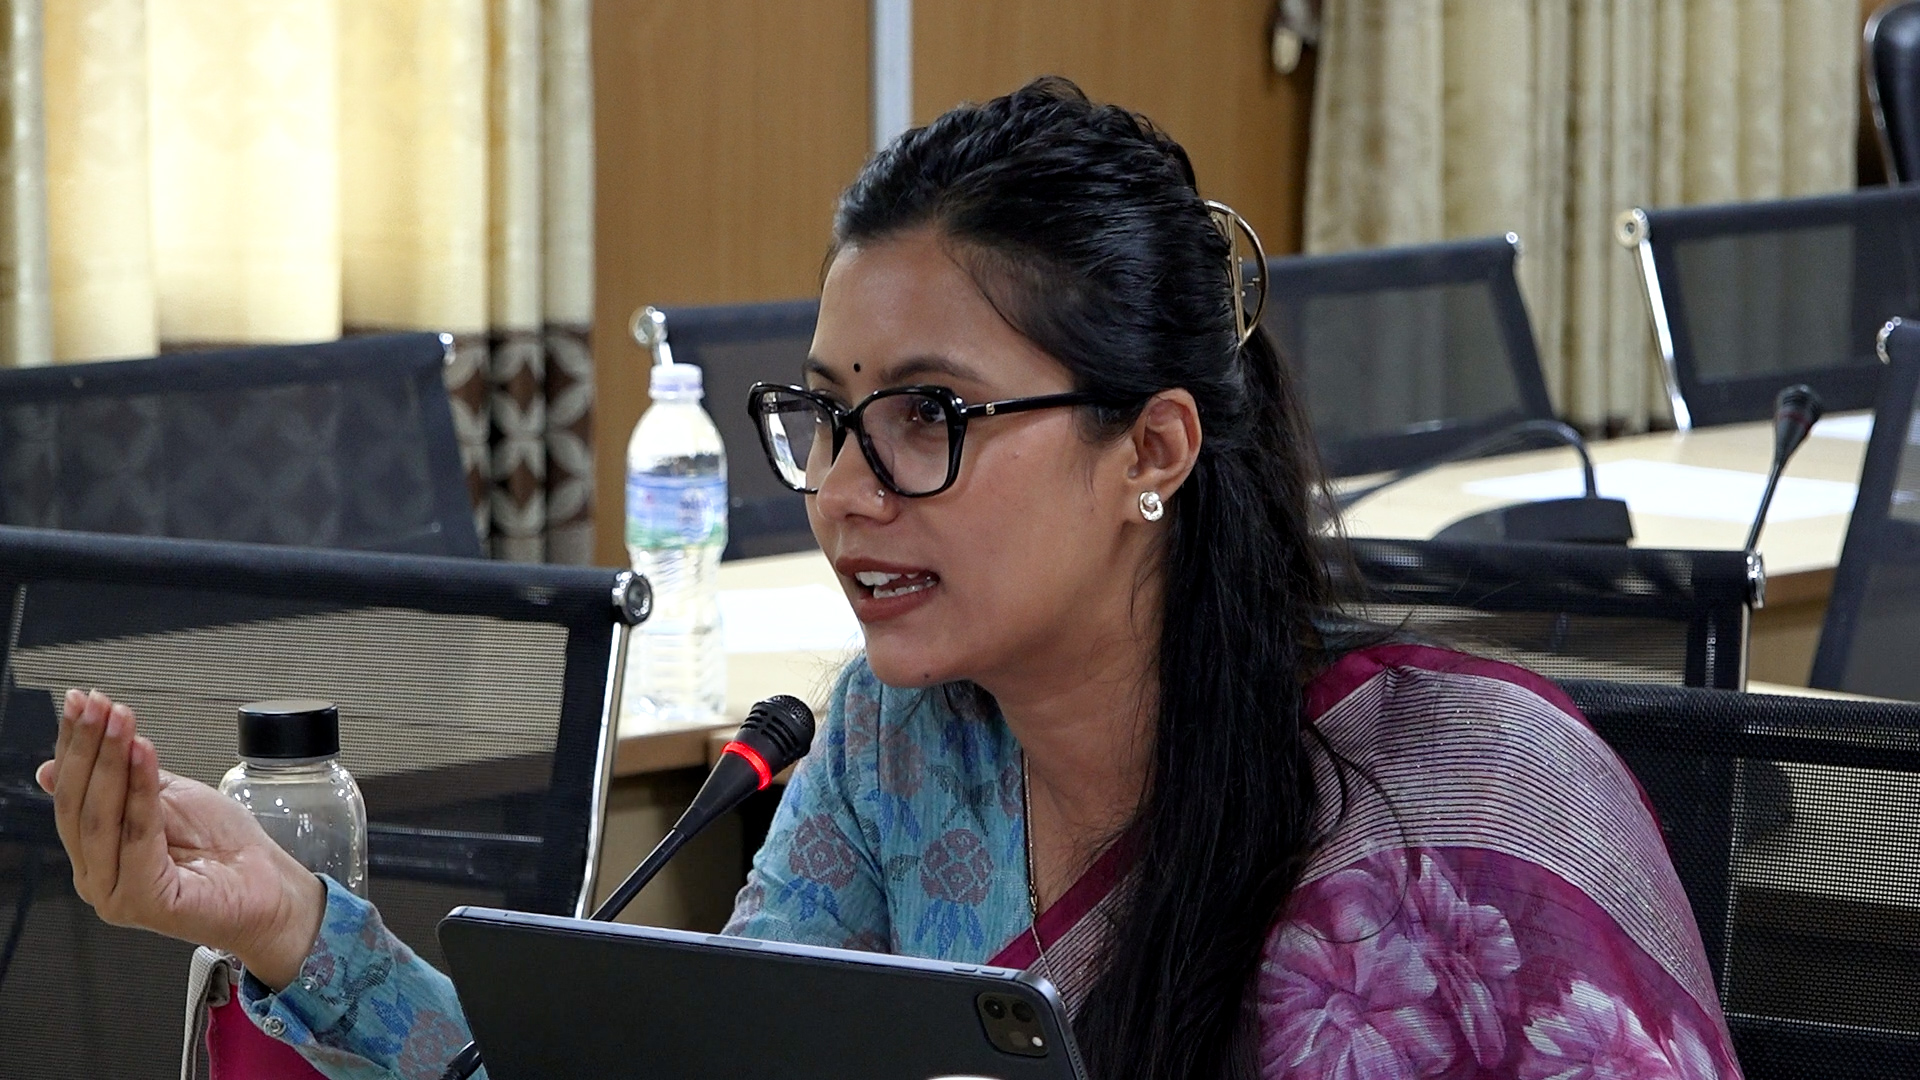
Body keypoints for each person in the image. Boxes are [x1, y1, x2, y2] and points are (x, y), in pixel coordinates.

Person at [35, 78, 1742, 1080]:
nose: (848, 492)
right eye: (828, 416)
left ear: (1150, 449)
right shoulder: (891, 752)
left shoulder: (1466, 799)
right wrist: (287, 925)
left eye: (931, 416)